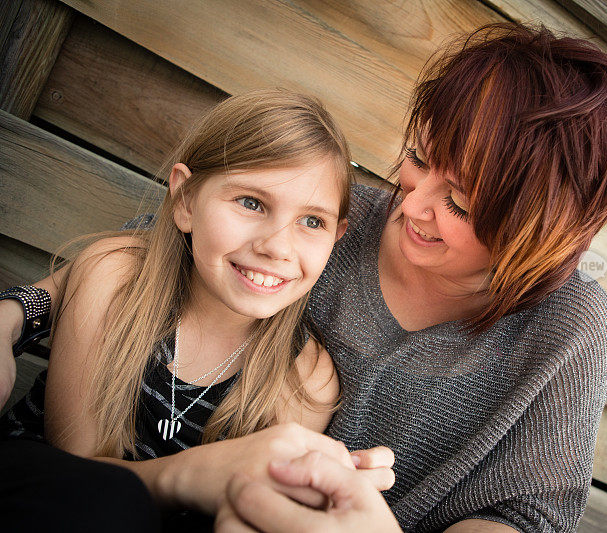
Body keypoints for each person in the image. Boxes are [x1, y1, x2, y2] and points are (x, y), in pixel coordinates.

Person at [1, 22, 607, 532]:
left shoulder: (565, 327)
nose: (412, 205)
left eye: (463, 206)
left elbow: (525, 516)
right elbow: (150, 261)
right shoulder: (334, 216)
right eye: (420, 159)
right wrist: (15, 314)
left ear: (537, 233)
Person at [0, 89, 393, 528]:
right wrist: (200, 475)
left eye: (311, 221)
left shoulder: (305, 381)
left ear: (336, 236)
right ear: (186, 200)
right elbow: (75, 482)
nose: (277, 247)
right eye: (250, 202)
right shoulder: (114, 278)